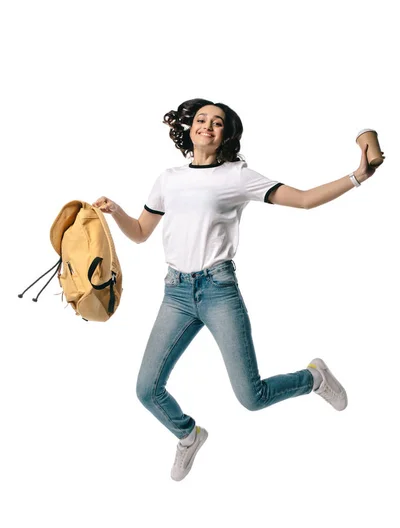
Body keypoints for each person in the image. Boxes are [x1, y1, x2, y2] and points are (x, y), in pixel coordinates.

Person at [93, 98, 385, 482]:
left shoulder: (237, 176)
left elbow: (304, 200)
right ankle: (188, 435)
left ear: (226, 135)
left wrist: (357, 176)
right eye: (201, 120)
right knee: (147, 390)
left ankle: (314, 377)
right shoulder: (168, 179)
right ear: (189, 128)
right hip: (176, 293)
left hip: (218, 290)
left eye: (217, 123)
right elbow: (141, 234)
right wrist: (115, 212)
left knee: (252, 397)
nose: (207, 126)